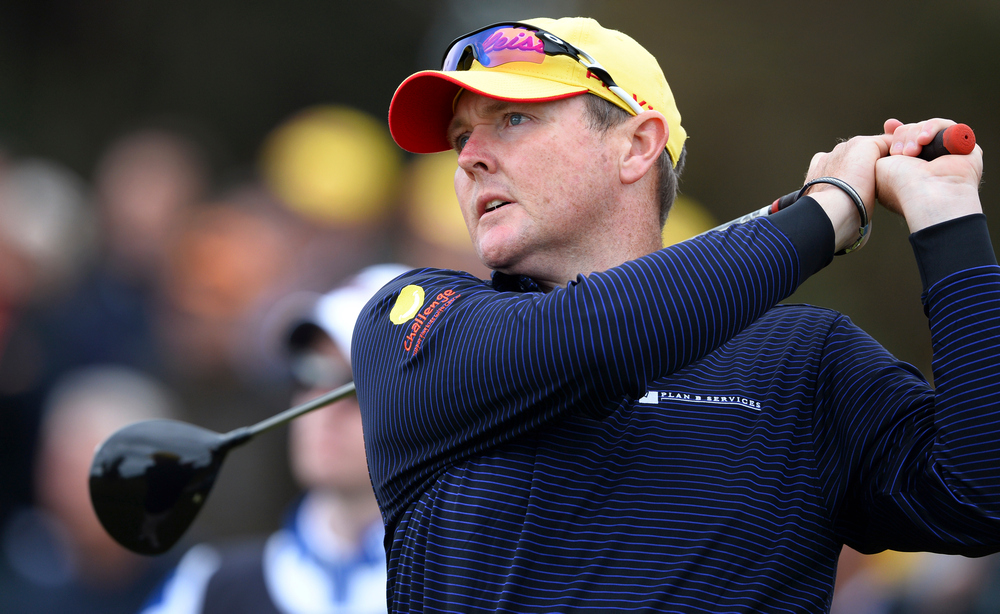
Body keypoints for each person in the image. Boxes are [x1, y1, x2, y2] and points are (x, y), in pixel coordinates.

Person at [350, 16, 997, 612]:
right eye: (462, 136)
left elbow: (981, 495)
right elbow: (602, 340)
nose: (468, 157)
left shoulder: (805, 362)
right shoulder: (414, 325)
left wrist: (948, 218)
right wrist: (826, 213)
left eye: (514, 120)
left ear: (637, 145)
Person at [140, 264, 408, 614]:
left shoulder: (478, 586)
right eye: (309, 373)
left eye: (353, 384)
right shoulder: (209, 585)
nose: (321, 404)